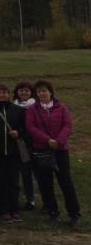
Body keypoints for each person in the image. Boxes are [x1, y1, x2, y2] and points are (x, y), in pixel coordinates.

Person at [26, 80, 81, 227]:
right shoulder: (32, 109)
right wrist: (47, 140)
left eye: (44, 90)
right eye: (39, 91)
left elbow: (67, 125)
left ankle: (74, 213)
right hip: (41, 150)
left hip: (60, 150)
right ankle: (53, 213)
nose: (42, 93)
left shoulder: (61, 107)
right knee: (45, 184)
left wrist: (59, 141)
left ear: (50, 92)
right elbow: (31, 127)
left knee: (65, 182)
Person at [0, 84, 27, 222]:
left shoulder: (18, 110)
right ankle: (3, 209)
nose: (2, 95)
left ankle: (14, 208)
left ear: (9, 94)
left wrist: (18, 132)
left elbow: (25, 128)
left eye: (4, 92)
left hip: (13, 152)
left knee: (13, 181)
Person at [13, 81, 37, 210]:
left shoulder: (35, 106)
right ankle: (30, 200)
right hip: (20, 143)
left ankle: (37, 200)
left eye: (26, 90)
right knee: (25, 172)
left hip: (34, 142)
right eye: (21, 90)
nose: (23, 92)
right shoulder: (13, 106)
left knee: (37, 173)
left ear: (31, 92)